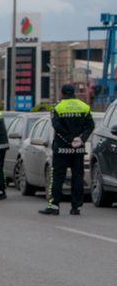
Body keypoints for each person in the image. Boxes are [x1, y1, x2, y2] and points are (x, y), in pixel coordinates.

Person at [39, 84, 95, 216]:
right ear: (74, 93)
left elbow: (57, 127)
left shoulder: (57, 108)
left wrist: (70, 140)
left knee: (57, 177)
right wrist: (81, 139)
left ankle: (54, 206)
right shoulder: (84, 107)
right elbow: (90, 126)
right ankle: (76, 207)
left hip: (62, 150)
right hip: (78, 150)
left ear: (62, 93)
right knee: (78, 178)